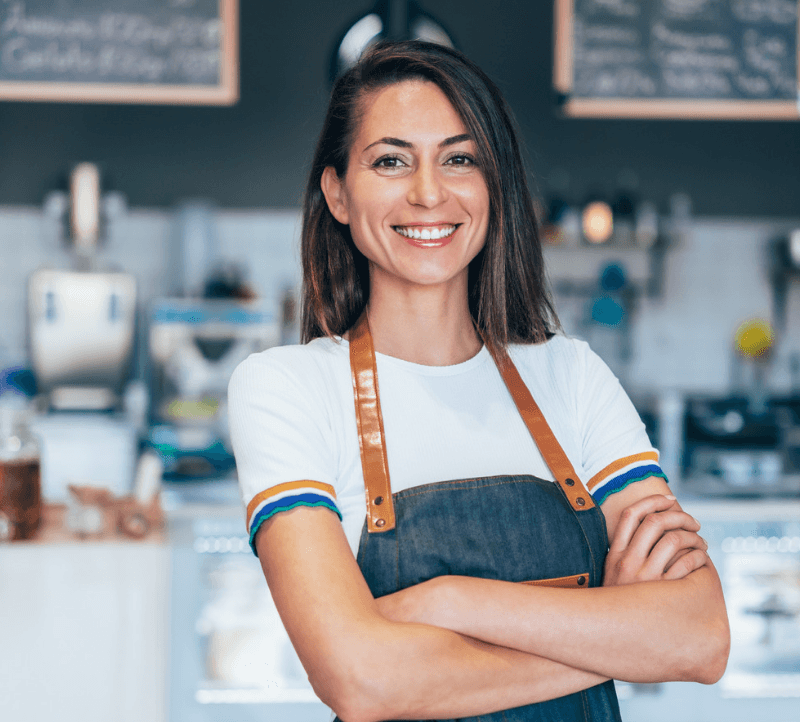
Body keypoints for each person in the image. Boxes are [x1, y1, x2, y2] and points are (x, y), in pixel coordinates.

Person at [228, 40, 729, 722]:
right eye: (390, 161)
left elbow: (700, 637)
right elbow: (360, 681)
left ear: (495, 186)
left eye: (460, 159)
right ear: (338, 193)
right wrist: (617, 630)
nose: (428, 192)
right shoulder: (285, 389)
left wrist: (448, 601)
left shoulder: (571, 376)